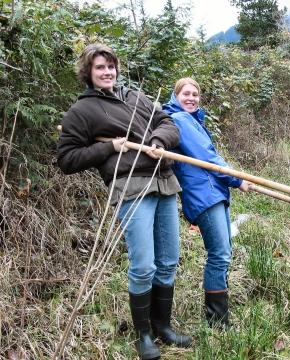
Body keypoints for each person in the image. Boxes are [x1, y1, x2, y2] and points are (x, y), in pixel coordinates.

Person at [57, 43, 191, 360]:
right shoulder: (81, 112)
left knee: (169, 260)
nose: (107, 72)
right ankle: (144, 335)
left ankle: (163, 328)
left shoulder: (135, 96)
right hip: (131, 187)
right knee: (144, 264)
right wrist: (108, 149)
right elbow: (66, 159)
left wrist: (158, 141)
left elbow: (168, 123)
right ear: (88, 73)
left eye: (111, 66)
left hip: (164, 182)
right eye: (99, 67)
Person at [162, 78, 252, 328]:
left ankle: (219, 317)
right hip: (203, 194)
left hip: (212, 191)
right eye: (186, 94)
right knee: (219, 254)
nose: (191, 98)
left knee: (223, 252)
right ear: (175, 95)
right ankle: (217, 322)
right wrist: (237, 180)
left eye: (195, 94)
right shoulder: (180, 120)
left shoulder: (190, 120)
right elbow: (207, 157)